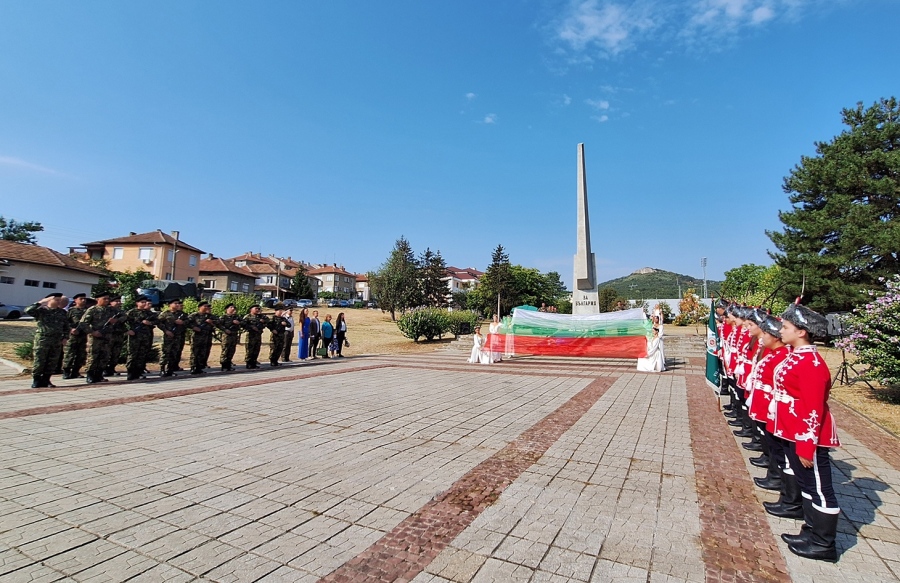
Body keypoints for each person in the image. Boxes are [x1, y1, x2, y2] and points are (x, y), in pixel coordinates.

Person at [769, 302, 841, 562]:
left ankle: (824, 543)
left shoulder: (810, 364)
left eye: (786, 326)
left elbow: (812, 410)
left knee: (820, 489)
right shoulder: (796, 355)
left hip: (806, 435)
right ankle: (810, 531)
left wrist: (806, 446)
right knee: (808, 486)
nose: (781, 330)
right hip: (792, 431)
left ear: (802, 332)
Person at [25, 293, 69, 388]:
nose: (59, 302)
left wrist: (65, 337)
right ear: (49, 300)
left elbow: (66, 326)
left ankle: (46, 380)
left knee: (52, 361)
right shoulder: (42, 311)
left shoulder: (62, 312)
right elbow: (28, 310)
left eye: (59, 300)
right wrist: (40, 302)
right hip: (43, 339)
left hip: (56, 340)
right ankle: (36, 380)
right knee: (40, 360)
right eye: (56, 300)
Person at [78, 292, 120, 384]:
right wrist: (92, 332)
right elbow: (83, 323)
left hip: (107, 336)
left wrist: (116, 320)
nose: (107, 300)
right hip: (95, 337)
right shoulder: (92, 309)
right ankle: (90, 375)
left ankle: (99, 374)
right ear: (98, 299)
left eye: (108, 298)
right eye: (104, 298)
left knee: (104, 356)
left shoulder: (111, 310)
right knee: (93, 357)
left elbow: (124, 316)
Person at [124, 295, 157, 380]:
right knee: (132, 354)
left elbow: (157, 321)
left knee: (142, 355)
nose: (144, 304)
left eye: (145, 302)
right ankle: (130, 372)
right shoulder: (131, 312)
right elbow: (122, 322)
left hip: (145, 337)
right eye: (142, 302)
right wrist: (127, 331)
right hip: (134, 337)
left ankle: (138, 372)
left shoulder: (149, 313)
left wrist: (149, 323)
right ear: (137, 303)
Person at [157, 299, 189, 377]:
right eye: (175, 303)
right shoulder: (165, 314)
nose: (177, 305)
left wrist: (183, 322)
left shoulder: (182, 314)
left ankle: (170, 370)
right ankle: (162, 369)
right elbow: (158, 323)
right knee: (165, 352)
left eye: (178, 303)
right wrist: (165, 330)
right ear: (170, 305)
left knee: (174, 353)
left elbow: (189, 321)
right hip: (168, 336)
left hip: (178, 336)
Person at [62, 293, 89, 379]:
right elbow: (65, 322)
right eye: (81, 299)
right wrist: (71, 329)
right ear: (75, 300)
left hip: (84, 335)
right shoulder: (71, 310)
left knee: (81, 355)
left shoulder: (88, 311)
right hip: (73, 336)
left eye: (84, 299)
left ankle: (75, 371)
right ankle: (66, 371)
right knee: (69, 354)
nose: (83, 300)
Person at [188, 301, 217, 374]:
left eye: (207, 306)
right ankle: (193, 367)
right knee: (195, 352)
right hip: (197, 337)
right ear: (199, 307)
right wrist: (193, 327)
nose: (207, 308)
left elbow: (219, 321)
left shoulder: (209, 316)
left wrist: (211, 322)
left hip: (206, 337)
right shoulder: (194, 315)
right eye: (205, 306)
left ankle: (199, 367)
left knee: (202, 353)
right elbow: (187, 322)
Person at [104, 296, 128, 377]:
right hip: (109, 335)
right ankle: (104, 368)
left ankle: (111, 368)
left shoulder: (120, 311)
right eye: (116, 301)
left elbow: (125, 317)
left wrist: (117, 320)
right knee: (107, 352)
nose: (118, 303)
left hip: (118, 334)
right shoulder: (106, 310)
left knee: (116, 353)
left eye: (119, 301)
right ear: (111, 302)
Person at [217, 303, 243, 371]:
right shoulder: (223, 317)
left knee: (232, 350)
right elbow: (218, 325)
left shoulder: (237, 317)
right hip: (226, 336)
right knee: (225, 350)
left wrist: (238, 323)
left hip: (234, 335)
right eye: (231, 307)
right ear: (227, 309)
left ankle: (229, 364)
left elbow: (244, 323)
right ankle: (224, 365)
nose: (233, 308)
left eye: (234, 307)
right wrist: (225, 329)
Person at [241, 305, 267, 369]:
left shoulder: (260, 317)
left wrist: (263, 321)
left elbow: (268, 321)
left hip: (258, 335)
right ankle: (249, 363)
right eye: (256, 308)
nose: (257, 310)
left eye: (258, 309)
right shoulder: (247, 316)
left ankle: (254, 362)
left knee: (256, 350)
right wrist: (251, 327)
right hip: (250, 336)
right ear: (251, 309)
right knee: (250, 350)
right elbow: (243, 324)